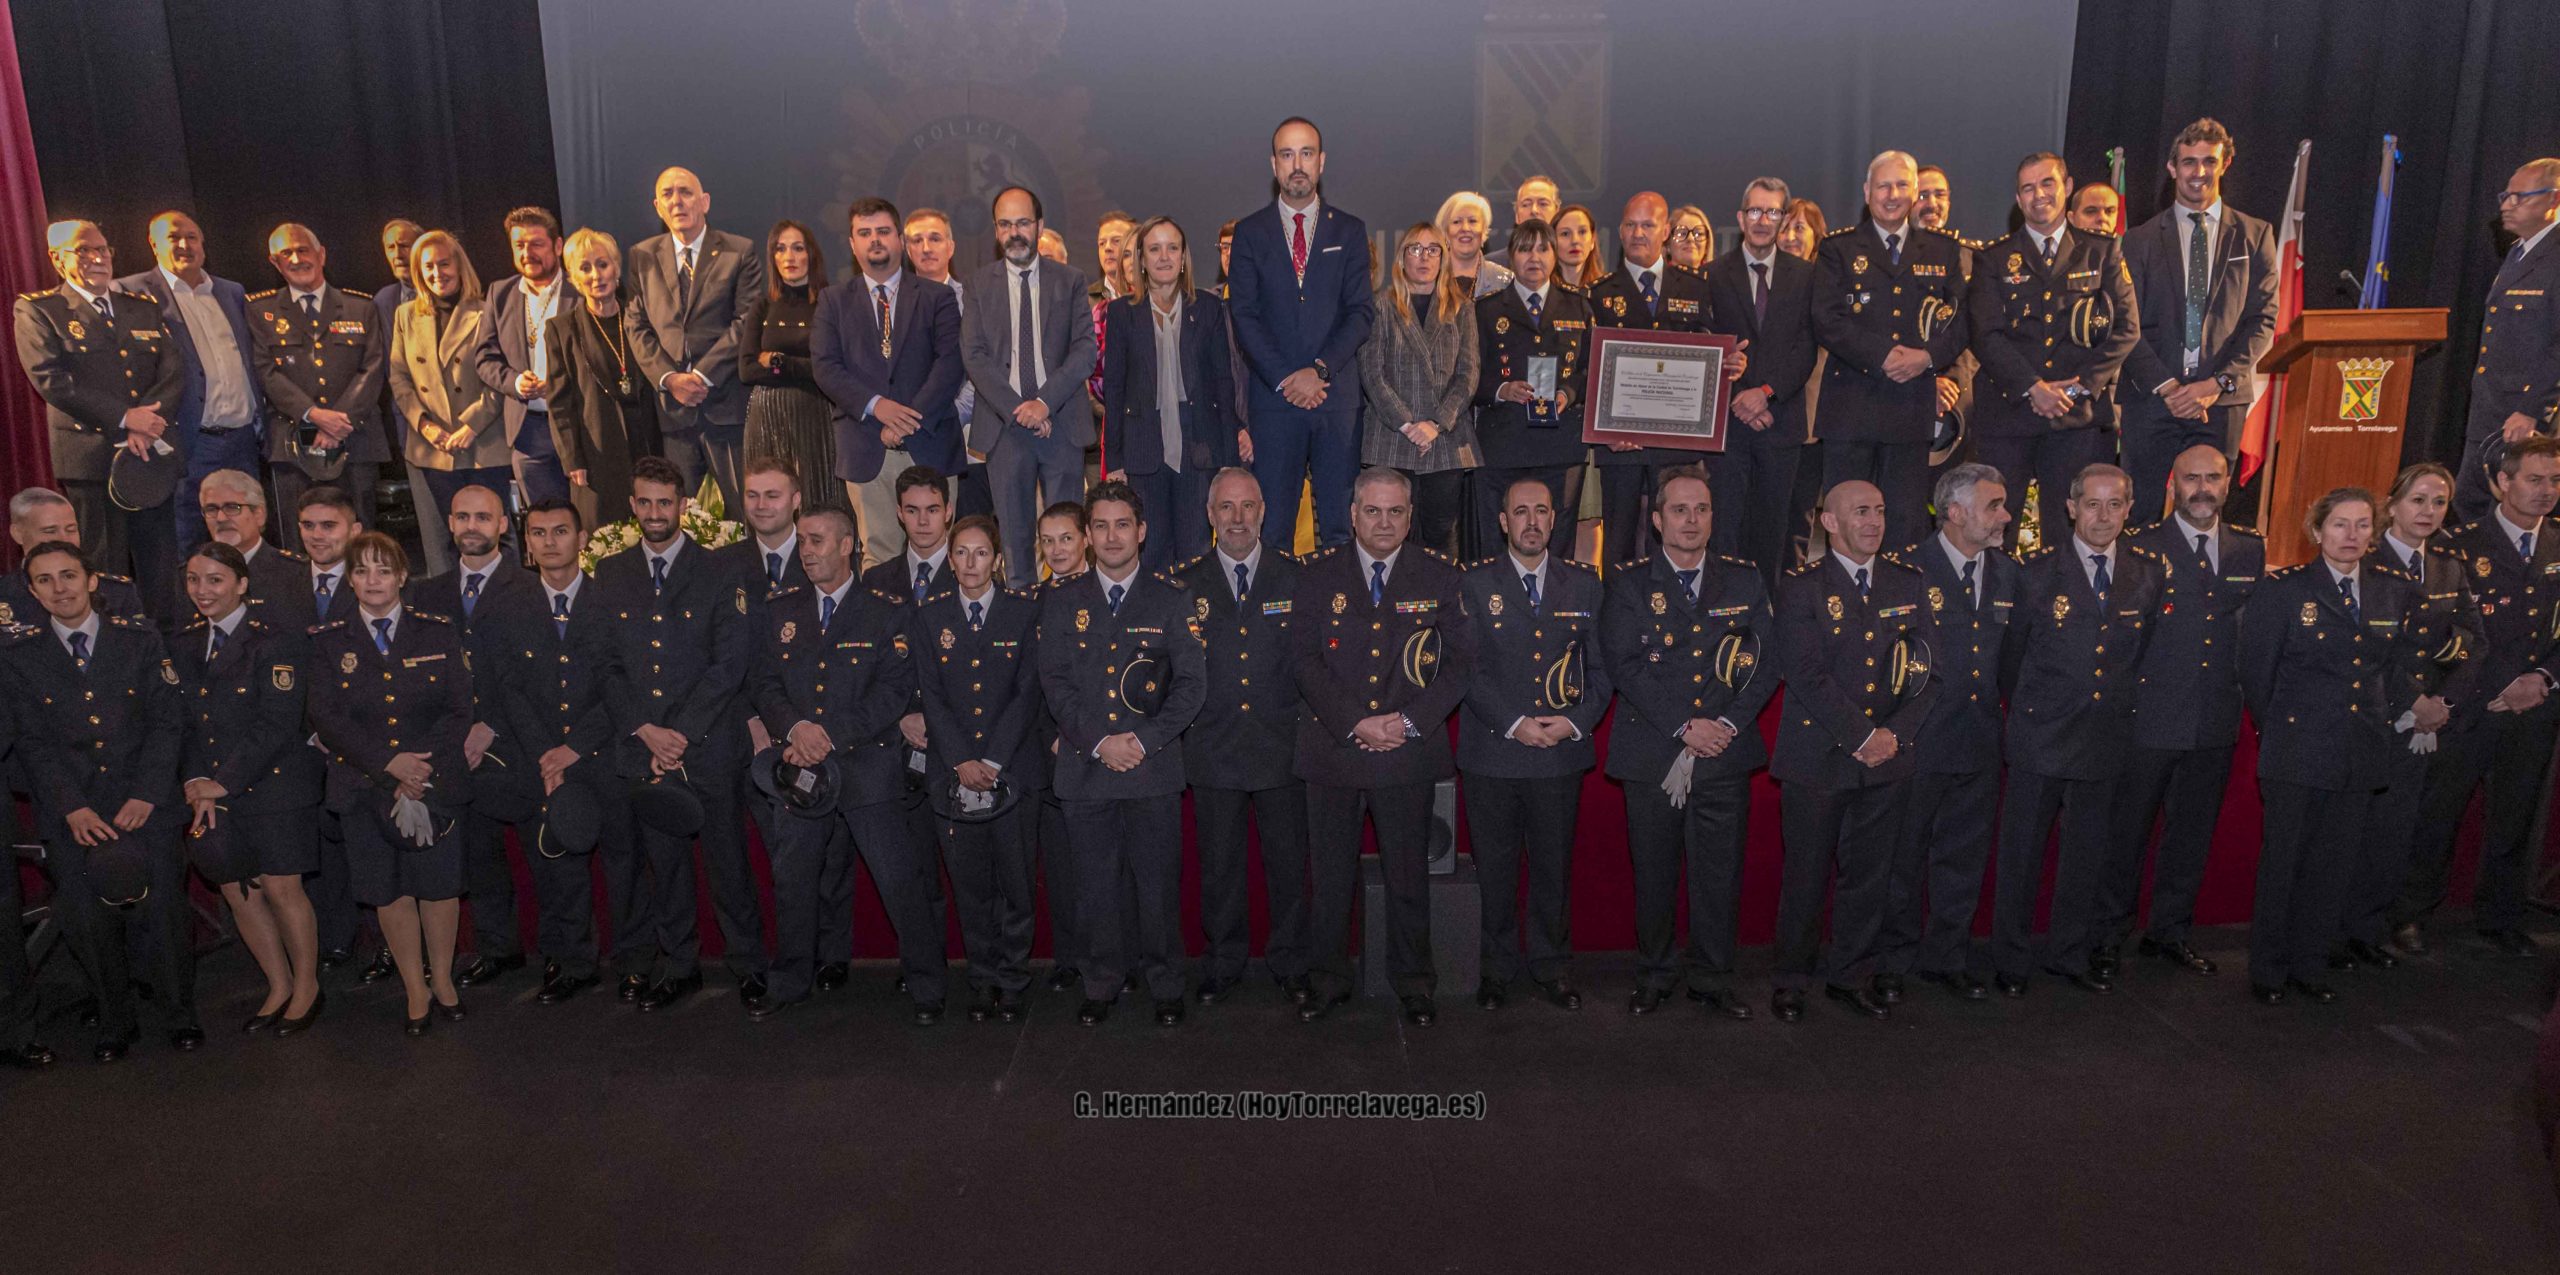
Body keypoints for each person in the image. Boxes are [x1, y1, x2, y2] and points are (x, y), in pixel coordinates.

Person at [1289, 468, 1473, 1026]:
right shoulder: (1318, 576)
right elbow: (1304, 660)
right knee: (1330, 878)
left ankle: (1414, 982)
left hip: (1407, 750)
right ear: (1352, 514)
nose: (1384, 522)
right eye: (1373, 511)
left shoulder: (1439, 576)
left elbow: (1460, 662)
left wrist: (1410, 722)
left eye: (1396, 512)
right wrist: (1355, 723)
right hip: (1333, 750)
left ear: (1411, 516)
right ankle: (1327, 979)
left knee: (1408, 877)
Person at [745, 508, 940, 1022]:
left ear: (848, 543)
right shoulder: (780, 609)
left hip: (866, 767)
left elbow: (895, 690)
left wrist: (829, 734)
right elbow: (764, 682)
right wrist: (795, 729)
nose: (806, 551)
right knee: (793, 881)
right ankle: (790, 981)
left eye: (816, 540)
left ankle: (927, 985)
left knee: (900, 881)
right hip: (800, 766)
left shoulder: (886, 609)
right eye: (802, 542)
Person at [1, 541, 191, 1061]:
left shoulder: (139, 640)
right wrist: (71, 807)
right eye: (45, 580)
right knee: (87, 916)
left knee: (166, 910)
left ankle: (180, 1012)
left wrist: (147, 794)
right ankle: (116, 1020)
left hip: (144, 801)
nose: (59, 588)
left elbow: (167, 722)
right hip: (74, 810)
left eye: (68, 576)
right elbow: (32, 743)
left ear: (92, 582)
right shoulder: (19, 655)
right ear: (33, 591)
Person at [593, 456, 767, 1011]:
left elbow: (729, 664)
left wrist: (681, 733)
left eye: (664, 502)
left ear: (684, 506)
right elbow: (605, 665)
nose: (654, 513)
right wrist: (646, 730)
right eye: (643, 502)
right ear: (632, 506)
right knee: (664, 867)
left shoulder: (720, 571)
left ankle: (748, 966)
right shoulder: (612, 572)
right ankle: (681, 964)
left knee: (728, 864)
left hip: (708, 745)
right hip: (645, 749)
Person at [2239, 488, 2422, 1004]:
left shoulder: (2391, 589)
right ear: (2316, 531)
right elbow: (2257, 673)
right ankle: (2270, 970)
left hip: (2360, 747)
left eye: (2363, 525)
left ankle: (2310, 964)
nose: (2352, 536)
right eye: (2340, 525)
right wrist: (2280, 730)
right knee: (2285, 864)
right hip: (2297, 748)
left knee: (2334, 865)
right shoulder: (2285, 591)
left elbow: (2390, 668)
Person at [1601, 466, 1771, 1018]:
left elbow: (1767, 663)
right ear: (1656, 520)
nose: (1691, 519)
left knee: (1719, 874)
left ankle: (1713, 978)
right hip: (1654, 751)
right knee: (1654, 873)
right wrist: (1685, 726)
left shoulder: (1745, 580)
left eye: (1700, 509)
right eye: (1679, 509)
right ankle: (1654, 974)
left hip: (1724, 750)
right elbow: (1625, 665)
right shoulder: (1627, 583)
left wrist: (1725, 727)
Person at [1990, 464, 2166, 996]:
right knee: (2021, 857)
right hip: (2041, 734)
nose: (2103, 516)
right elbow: (2010, 658)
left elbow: (2140, 652)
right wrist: (2032, 711)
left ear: (2130, 509)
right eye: (2092, 504)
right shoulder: (2035, 571)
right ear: (2070, 507)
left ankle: (2068, 955)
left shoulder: (2146, 571)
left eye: (2115, 504)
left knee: (2086, 859)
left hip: (2104, 737)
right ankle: (2011, 962)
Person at [1036, 480, 1206, 1025]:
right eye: (1102, 526)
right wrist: (1100, 742)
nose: (1112, 536)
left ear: (1142, 531)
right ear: (1087, 536)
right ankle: (1102, 981)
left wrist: (1140, 741)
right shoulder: (1062, 600)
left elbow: (1191, 686)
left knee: (1157, 885)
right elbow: (1055, 684)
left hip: (1151, 770)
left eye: (1123, 524)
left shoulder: (1171, 598)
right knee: (1095, 885)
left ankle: (1165, 984)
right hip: (1085, 770)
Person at [1769, 480, 1938, 1021]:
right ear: (1830, 522)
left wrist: (1896, 736)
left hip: (1888, 759)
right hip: (1818, 757)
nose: (1874, 521)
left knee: (1870, 875)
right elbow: (1806, 674)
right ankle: (1792, 978)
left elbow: (1929, 671)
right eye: (1860, 511)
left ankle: (1850, 974)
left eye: (1881, 511)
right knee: (1806, 874)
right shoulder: (1801, 588)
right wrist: (1863, 736)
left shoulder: (1907, 583)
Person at [2102, 444, 2261, 978]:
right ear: (2172, 484)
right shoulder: (2140, 548)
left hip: (2215, 717)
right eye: (2191, 478)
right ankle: (2107, 937)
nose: (2202, 488)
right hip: (2149, 718)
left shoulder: (2248, 550)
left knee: (2191, 836)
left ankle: (2169, 932)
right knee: (2126, 835)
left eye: (2213, 477)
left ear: (2228, 481)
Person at [305, 531, 474, 1033]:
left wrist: (418, 770)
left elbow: (460, 707)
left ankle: (442, 980)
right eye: (361, 571)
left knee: (439, 889)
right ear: (350, 580)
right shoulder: (328, 641)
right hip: (363, 787)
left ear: (402, 576)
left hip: (434, 781)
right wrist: (388, 766)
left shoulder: (437, 631)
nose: (372, 580)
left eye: (383, 570)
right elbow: (327, 718)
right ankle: (415, 990)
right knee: (389, 892)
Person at [2398, 436, 2560, 958]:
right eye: (2534, 479)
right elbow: (2441, 634)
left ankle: (2500, 917)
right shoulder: (2458, 545)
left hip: (2535, 706)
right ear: (2501, 482)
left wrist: (2543, 680)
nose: (2546, 491)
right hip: (2468, 709)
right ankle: (2409, 915)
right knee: (2436, 817)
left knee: (2515, 820)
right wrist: (2493, 688)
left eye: (2555, 481)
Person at [1462, 474, 1610, 1012]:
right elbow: (1466, 669)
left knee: (1553, 868)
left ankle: (1552, 966)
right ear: (1503, 522)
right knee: (1495, 870)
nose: (1531, 521)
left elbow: (1603, 671)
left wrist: (1573, 724)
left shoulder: (1586, 584)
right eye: (1520, 511)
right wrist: (1514, 723)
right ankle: (1496, 970)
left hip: (1560, 753)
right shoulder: (1474, 585)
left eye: (1541, 511)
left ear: (1554, 519)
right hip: (1493, 755)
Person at [1878, 463, 2016, 1000]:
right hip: (1918, 739)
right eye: (1995, 506)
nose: (2005, 516)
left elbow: (2013, 657)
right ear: (1955, 513)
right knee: (1903, 855)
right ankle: (1893, 959)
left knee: (1963, 857)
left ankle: (1947, 957)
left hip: (1980, 739)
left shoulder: (2007, 573)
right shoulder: (1908, 570)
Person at [175, 541, 325, 1034]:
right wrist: (197, 779)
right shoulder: (184, 641)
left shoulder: (275, 641)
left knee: (283, 889)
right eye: (195, 579)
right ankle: (277, 984)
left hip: (276, 784)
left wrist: (222, 782)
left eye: (215, 580)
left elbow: (277, 725)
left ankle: (307, 987)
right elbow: (184, 724)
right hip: (216, 789)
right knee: (238, 890)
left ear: (241, 584)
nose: (203, 590)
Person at [1173, 469, 1308, 1003]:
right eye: (1226, 508)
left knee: (1289, 866)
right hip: (1214, 749)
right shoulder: (1183, 584)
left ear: (1263, 512)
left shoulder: (1296, 578)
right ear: (1210, 515)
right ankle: (1223, 961)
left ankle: (1292, 961)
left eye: (1247, 506)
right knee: (1220, 868)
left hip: (1282, 747)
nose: (1237, 518)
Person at [1967, 152, 2143, 553]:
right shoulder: (1993, 258)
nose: (2039, 195)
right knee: (1995, 530)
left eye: (2047, 184)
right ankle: (1999, 612)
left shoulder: (2102, 251)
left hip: (2076, 417)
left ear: (2066, 187)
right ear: (2018, 199)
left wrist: (2081, 386)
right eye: (2028, 188)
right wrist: (2033, 387)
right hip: (2009, 414)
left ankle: (2066, 614)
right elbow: (1985, 333)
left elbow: (2126, 328)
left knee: (2071, 536)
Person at [408, 486, 542, 989]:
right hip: (455, 748)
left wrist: (491, 723)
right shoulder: (428, 592)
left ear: (503, 524)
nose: (471, 526)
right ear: (448, 520)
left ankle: (562, 955)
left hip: (517, 741)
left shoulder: (530, 586)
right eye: (462, 516)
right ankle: (497, 949)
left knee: (539, 857)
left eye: (482, 517)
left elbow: (538, 672)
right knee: (478, 856)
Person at [909, 515, 1041, 1021]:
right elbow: (933, 697)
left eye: (981, 553)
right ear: (950, 559)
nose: (970, 563)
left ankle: (1012, 978)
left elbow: (1026, 692)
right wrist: (963, 759)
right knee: (970, 885)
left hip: (1012, 770)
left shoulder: (1022, 613)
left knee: (1016, 882)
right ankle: (983, 978)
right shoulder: (929, 617)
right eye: (961, 553)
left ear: (998, 560)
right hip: (951, 774)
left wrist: (991, 760)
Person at [2346, 464, 2475, 969]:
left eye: (2438, 502)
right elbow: (2367, 648)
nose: (2427, 511)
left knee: (2403, 833)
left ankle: (2375, 926)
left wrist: (2443, 700)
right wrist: (2410, 701)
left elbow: (2471, 643)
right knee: (2362, 833)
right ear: (2392, 505)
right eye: (2418, 500)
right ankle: (2342, 928)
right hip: (2376, 718)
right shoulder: (2365, 561)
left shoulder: (2448, 566)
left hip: (2431, 721)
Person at [2119, 118, 2279, 521]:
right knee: (2140, 514)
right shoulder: (2138, 240)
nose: (2199, 172)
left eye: (2209, 161)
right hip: (2152, 399)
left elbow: (2263, 319)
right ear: (2173, 168)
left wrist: (2216, 383)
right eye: (2189, 162)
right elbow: (2125, 320)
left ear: (2224, 165)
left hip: (2220, 401)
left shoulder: (2255, 235)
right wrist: (2169, 386)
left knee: (2207, 517)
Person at [16, 221, 183, 600]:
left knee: (161, 573)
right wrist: (126, 419)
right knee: (103, 571)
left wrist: (148, 423)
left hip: (151, 457)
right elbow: (51, 379)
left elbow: (173, 370)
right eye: (84, 250)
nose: (97, 258)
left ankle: (166, 654)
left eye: (103, 249)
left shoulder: (141, 308)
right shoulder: (41, 310)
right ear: (58, 260)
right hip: (93, 462)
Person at [1229, 116, 1375, 549]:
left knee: (1338, 529)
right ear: (1273, 164)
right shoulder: (1249, 233)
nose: (1298, 164)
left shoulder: (1349, 230)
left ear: (1321, 162)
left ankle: (1337, 617)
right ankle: (1273, 618)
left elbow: (1361, 312)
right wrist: (1287, 379)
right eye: (1288, 154)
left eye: (1306, 153)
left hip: (1335, 402)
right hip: (1274, 404)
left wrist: (1319, 370)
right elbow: (1244, 315)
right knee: (1272, 531)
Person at [1812, 151, 1970, 548]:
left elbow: (1962, 322)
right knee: (1847, 520)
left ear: (1915, 192)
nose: (1892, 194)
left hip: (1910, 409)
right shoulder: (1838, 249)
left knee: (1902, 522)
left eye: (1902, 185)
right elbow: (1827, 319)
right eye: (1883, 185)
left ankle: (1898, 606)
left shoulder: (1942, 250)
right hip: (1851, 408)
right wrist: (1881, 355)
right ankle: (1842, 606)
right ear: (1867, 192)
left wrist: (1928, 358)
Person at [494, 497, 614, 1003]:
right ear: (527, 544)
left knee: (622, 864)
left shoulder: (610, 600)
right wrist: (547, 752)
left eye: (560, 531)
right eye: (539, 533)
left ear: (582, 539)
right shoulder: (510, 606)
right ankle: (567, 959)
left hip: (599, 753)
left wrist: (574, 748)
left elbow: (622, 685)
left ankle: (632, 958)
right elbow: (509, 689)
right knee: (552, 864)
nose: (549, 542)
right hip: (537, 758)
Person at [813, 197, 967, 569]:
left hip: (929, 442)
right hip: (866, 447)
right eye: (864, 233)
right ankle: (887, 631)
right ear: (852, 244)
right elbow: (825, 366)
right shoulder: (833, 301)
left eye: (883, 231)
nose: (875, 240)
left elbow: (951, 364)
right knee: (879, 557)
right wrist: (876, 407)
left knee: (940, 557)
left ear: (900, 239)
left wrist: (905, 420)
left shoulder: (938, 297)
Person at [962, 186, 1099, 583]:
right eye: (1005, 224)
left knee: (1067, 543)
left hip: (1061, 425)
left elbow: (1084, 352)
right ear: (995, 230)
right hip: (1005, 431)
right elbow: (974, 356)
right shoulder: (978, 284)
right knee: (1016, 542)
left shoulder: (1071, 280)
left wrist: (1043, 403)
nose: (1014, 232)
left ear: (1039, 226)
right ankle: (1020, 631)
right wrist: (1020, 411)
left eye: (1022, 222)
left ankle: (1072, 625)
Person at [1586, 191, 1731, 567]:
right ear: (1619, 231)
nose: (1638, 233)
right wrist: (1605, 430)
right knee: (1617, 543)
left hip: (1677, 447)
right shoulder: (1600, 294)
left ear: (1665, 231)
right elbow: (1589, 369)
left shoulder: (1696, 288)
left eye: (1647, 225)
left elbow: (1712, 358)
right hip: (1620, 445)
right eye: (1631, 225)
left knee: (1677, 541)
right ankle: (1619, 618)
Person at [116, 210, 265, 554]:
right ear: (153, 245)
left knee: (246, 539)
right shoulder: (130, 291)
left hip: (242, 439)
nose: (184, 245)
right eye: (173, 238)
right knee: (188, 540)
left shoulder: (231, 291)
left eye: (192, 237)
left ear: (203, 244)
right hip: (187, 440)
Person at [1102, 215, 1240, 569]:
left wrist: (1228, 460)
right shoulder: (1121, 314)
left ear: (1183, 258)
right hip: (1142, 451)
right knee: (1151, 551)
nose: (1164, 256)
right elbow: (1114, 390)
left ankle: (1195, 624)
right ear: (1142, 260)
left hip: (1199, 451)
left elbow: (1224, 385)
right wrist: (1114, 462)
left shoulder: (1208, 309)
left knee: (1196, 552)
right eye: (1154, 249)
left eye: (1172, 248)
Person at [626, 168, 762, 515]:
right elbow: (636, 324)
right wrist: (670, 379)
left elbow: (746, 321)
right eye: (667, 194)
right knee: (676, 518)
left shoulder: (739, 250)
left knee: (743, 513)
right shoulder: (642, 255)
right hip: (673, 414)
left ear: (704, 202)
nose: (677, 201)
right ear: (657, 206)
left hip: (725, 405)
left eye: (685, 192)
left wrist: (700, 377)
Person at [1708, 179, 1818, 582]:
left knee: (1774, 539)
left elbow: (1805, 349)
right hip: (1730, 429)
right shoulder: (1714, 275)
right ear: (1740, 218)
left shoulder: (1806, 276)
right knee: (1725, 536)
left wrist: (1766, 395)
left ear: (1784, 220)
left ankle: (1766, 636)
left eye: (1772, 212)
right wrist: (1741, 397)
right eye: (1754, 211)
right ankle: (1723, 631)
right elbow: (1709, 348)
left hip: (1782, 424)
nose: (1762, 220)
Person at [1360, 222, 1480, 556]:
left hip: (1445, 440)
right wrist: (1408, 424)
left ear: (1444, 258)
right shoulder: (1381, 307)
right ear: (1401, 258)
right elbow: (1372, 373)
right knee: (1391, 540)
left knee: (1441, 537)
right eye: (1415, 249)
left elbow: (1468, 374)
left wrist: (1435, 424)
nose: (1423, 257)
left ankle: (1439, 607)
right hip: (1393, 439)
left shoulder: (1462, 308)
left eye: (1432, 250)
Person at [1472, 219, 1589, 556]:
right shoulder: (1487, 309)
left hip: (1560, 445)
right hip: (1504, 445)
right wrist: (1501, 389)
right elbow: (1468, 375)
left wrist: (1569, 392)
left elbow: (1590, 370)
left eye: (1542, 248)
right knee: (1496, 545)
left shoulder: (1579, 305)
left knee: (1560, 540)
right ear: (1511, 255)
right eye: (1524, 249)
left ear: (1555, 255)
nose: (1533, 257)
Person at [2453, 157, 2560, 522]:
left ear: (2554, 201)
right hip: (2490, 406)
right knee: (2472, 506)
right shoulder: (2518, 251)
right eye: (2505, 196)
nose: (2505, 206)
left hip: (2523, 413)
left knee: (2515, 512)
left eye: (2519, 198)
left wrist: (2532, 406)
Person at [388, 230, 512, 535]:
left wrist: (471, 426)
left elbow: (501, 376)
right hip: (435, 448)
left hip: (484, 445)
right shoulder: (405, 315)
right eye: (428, 267)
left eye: (443, 264)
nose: (436, 273)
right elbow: (399, 378)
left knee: (496, 537)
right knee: (451, 540)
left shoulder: (487, 311)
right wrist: (426, 426)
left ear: (459, 265)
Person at [545, 227, 664, 530]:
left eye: (602, 264)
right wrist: (573, 459)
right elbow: (560, 401)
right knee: (608, 535)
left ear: (617, 269)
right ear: (573, 277)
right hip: (599, 448)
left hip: (649, 440)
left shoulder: (642, 316)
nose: (596, 275)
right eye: (585, 268)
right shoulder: (561, 329)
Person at [473, 206, 577, 507]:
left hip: (576, 425)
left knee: (588, 523)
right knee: (544, 526)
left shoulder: (580, 289)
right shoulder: (500, 293)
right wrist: (515, 382)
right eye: (519, 245)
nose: (527, 252)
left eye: (536, 244)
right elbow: (484, 357)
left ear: (558, 246)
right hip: (528, 430)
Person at [737, 220, 841, 520]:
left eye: (798, 248)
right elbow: (746, 370)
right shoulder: (762, 306)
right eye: (780, 249)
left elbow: (828, 369)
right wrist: (803, 367)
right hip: (766, 416)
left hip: (815, 417)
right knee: (769, 506)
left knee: (816, 503)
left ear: (812, 255)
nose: (790, 257)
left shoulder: (829, 303)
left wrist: (780, 361)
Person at [905, 207, 990, 521]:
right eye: (917, 240)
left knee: (966, 536)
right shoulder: (890, 304)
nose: (926, 248)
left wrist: (949, 412)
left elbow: (981, 370)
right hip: (903, 439)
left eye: (935, 238)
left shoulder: (974, 301)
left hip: (962, 439)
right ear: (906, 248)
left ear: (951, 247)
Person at [0, 487, 148, 625]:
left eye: (71, 530)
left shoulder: (116, 594)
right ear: (18, 534)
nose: (64, 540)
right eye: (50, 531)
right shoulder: (5, 595)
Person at [1434, 191, 1514, 299]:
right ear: (1446, 231)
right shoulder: (1429, 277)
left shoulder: (1506, 281)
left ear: (1484, 229)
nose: (1465, 228)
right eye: (1457, 222)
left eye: (1472, 221)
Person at [1490, 175, 1562, 268]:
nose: (1534, 210)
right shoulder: (1493, 265)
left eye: (1543, 204)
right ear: (1517, 215)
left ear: (1557, 211)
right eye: (1526, 204)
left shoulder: (1569, 261)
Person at [1551, 204, 1605, 290]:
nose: (1575, 241)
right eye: (1565, 234)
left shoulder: (1606, 291)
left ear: (1592, 240)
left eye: (1582, 232)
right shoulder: (1541, 292)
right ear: (1552, 242)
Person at [1668, 204, 1716, 272]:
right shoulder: (1656, 281)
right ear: (1667, 244)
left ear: (1707, 246)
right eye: (1682, 233)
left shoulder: (1719, 281)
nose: (1690, 239)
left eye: (1699, 234)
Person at [1914, 165, 1958, 238]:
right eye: (1922, 196)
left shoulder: (1961, 249)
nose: (1932, 204)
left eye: (1940, 195)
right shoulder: (1894, 248)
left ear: (1948, 204)